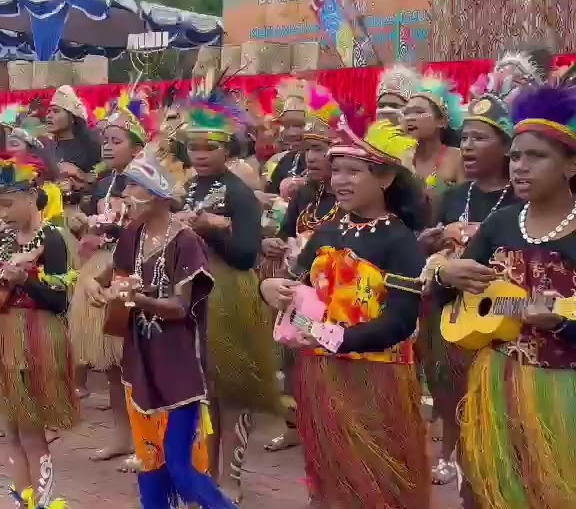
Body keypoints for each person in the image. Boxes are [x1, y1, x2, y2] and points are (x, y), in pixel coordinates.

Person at [260, 115, 429, 509]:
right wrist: (269, 287)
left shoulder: (399, 240)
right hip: (320, 370)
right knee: (326, 467)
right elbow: (295, 284)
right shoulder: (328, 231)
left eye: (354, 171)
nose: (341, 180)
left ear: (385, 178)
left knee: (373, 472)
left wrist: (342, 338)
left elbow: (402, 320)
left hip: (376, 374)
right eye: (337, 171)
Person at [434, 79, 576, 509]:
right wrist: (446, 275)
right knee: (487, 492)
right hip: (494, 384)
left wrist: (565, 324)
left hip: (564, 393)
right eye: (515, 156)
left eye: (536, 157)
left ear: (571, 166)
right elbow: (455, 307)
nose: (520, 167)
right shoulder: (500, 224)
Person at [109, 148, 237, 509]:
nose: (125, 197)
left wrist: (139, 300)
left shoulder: (186, 241)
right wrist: (102, 290)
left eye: (133, 188)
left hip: (179, 367)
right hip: (140, 360)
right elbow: (111, 276)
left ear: (156, 195)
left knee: (180, 467)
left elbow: (180, 308)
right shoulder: (132, 234)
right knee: (149, 463)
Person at [180, 81, 280, 502]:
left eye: (210, 147)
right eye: (194, 147)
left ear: (227, 149)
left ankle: (233, 476)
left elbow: (244, 256)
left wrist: (211, 231)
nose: (200, 155)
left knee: (233, 391)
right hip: (194, 291)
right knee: (202, 390)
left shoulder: (240, 194)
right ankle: (204, 467)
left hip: (228, 293)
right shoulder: (189, 187)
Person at [418, 70, 520, 488]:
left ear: (508, 147)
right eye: (467, 138)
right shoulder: (454, 195)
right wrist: (433, 241)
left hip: (501, 310)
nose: (469, 146)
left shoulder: (522, 197)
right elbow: (426, 249)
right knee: (445, 382)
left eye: (481, 138)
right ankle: (448, 452)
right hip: (449, 308)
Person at [0, 146, 77, 509]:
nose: (2, 214)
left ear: (31, 196)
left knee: (31, 427)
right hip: (2, 333)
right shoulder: (2, 239)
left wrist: (25, 281)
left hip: (36, 336)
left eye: (7, 205)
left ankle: (45, 501)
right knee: (13, 426)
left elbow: (60, 300)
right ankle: (23, 498)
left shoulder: (53, 239)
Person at [259, 82, 342, 453]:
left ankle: (330, 429)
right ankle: (295, 426)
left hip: (338, 292)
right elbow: (284, 231)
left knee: (329, 356)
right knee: (294, 353)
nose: (311, 156)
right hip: (300, 289)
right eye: (308, 149)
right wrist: (272, 242)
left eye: (320, 149)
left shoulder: (352, 193)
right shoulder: (306, 194)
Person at [71, 92, 147, 464]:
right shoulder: (103, 183)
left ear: (137, 148)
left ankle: (144, 438)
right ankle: (121, 436)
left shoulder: (144, 184)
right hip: (99, 268)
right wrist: (84, 225)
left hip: (130, 270)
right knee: (114, 366)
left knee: (133, 361)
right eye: (105, 139)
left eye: (117, 141)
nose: (107, 146)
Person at [404, 73, 465, 197]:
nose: (410, 118)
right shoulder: (401, 157)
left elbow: (465, 205)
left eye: (419, 112)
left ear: (441, 121)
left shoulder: (458, 158)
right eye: (406, 113)